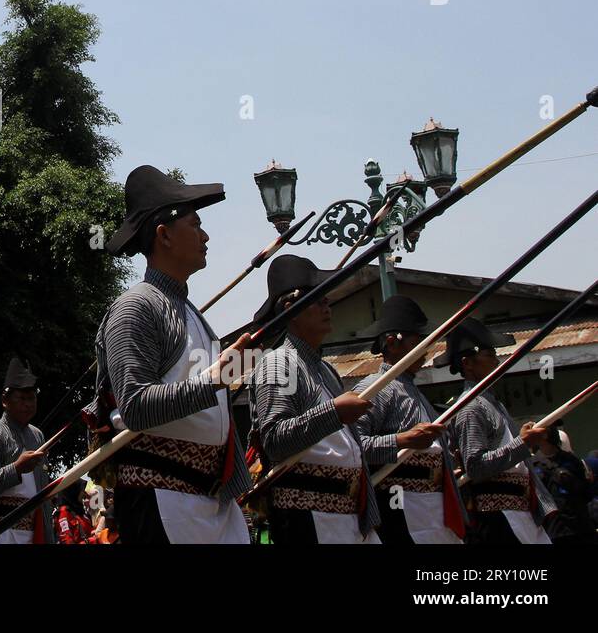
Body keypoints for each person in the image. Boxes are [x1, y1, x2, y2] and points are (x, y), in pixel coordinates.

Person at [97, 166, 252, 543]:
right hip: (161, 498)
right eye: (195, 224)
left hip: (211, 500)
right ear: (164, 235)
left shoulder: (192, 313)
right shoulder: (136, 307)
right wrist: (216, 379)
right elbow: (135, 406)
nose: (206, 235)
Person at [249, 255, 383, 544]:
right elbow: (275, 440)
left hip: (347, 513)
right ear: (291, 308)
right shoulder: (277, 364)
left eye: (326, 299)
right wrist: (333, 413)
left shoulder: (326, 370)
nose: (327, 307)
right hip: (307, 514)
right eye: (318, 300)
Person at [353, 296, 465, 544]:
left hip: (433, 505)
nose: (426, 351)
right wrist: (402, 440)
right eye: (419, 342)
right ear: (392, 343)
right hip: (398, 505)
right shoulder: (374, 389)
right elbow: (354, 447)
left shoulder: (414, 391)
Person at [443, 318, 555, 544]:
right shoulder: (470, 408)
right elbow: (475, 466)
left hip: (521, 513)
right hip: (500, 518)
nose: (497, 361)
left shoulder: (492, 403)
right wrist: (521, 443)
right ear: (468, 363)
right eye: (489, 355)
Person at [0, 358, 51, 543]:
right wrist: (16, 469)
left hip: (34, 531)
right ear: (5, 401)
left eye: (32, 398)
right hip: (0, 534)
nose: (28, 404)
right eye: (22, 398)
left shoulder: (37, 436)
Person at [531, 426, 596, 544]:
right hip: (555, 529)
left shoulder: (572, 460)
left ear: (546, 435)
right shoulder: (532, 465)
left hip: (580, 526)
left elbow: (587, 494)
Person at [54, 479, 93, 544]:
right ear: (74, 491)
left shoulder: (80, 511)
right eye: (82, 490)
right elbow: (67, 540)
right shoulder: (64, 512)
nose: (84, 494)